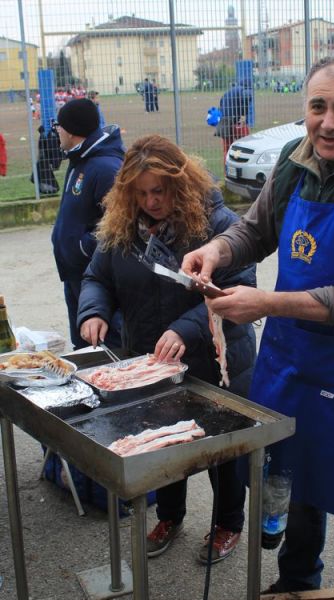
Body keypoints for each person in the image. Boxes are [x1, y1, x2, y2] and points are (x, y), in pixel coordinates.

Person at [181, 56, 334, 598]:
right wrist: (215, 249)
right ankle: (299, 578)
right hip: (296, 355)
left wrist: (267, 303)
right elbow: (254, 231)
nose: (328, 122)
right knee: (299, 474)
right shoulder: (292, 159)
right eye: (318, 106)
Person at [77, 134, 257, 564]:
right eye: (140, 193)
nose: (151, 201)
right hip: (153, 361)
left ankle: (227, 524)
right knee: (163, 444)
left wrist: (185, 327)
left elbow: (240, 291)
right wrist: (94, 311)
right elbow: (96, 277)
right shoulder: (123, 227)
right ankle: (170, 516)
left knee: (222, 450)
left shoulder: (217, 224)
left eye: (159, 190)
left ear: (181, 183)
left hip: (217, 361)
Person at [51, 98, 124, 350]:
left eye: (58, 126)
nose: (56, 131)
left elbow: (120, 225)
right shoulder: (80, 159)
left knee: (101, 348)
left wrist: (84, 248)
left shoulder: (105, 167)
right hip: (75, 274)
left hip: (92, 275)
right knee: (82, 345)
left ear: (70, 130)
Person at [216, 80, 251, 160]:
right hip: (236, 122)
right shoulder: (244, 90)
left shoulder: (226, 93)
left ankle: (227, 168)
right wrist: (244, 115)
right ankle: (237, 162)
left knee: (227, 149)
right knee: (243, 145)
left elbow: (220, 107)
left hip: (224, 122)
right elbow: (246, 98)